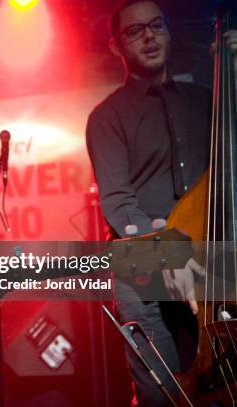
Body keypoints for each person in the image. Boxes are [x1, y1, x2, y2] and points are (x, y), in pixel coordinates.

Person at [86, 0, 237, 405]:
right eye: (135, 31)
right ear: (117, 45)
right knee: (167, 394)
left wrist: (234, 69)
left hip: (211, 257)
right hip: (145, 262)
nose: (149, 36)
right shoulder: (107, 117)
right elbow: (118, 202)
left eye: (157, 26)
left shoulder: (207, 99)